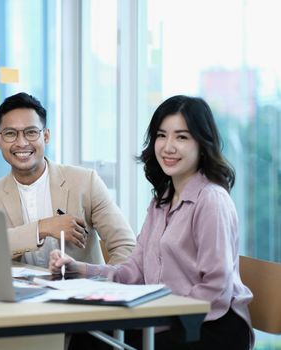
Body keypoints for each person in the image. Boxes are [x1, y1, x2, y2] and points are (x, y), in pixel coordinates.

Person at [50, 95, 253, 349]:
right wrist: (77, 268)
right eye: (161, 135)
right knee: (83, 337)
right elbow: (132, 272)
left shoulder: (211, 200)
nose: (168, 147)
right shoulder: (161, 203)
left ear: (202, 144)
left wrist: (159, 316)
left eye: (181, 137)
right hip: (166, 317)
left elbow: (215, 288)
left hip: (210, 325)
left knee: (97, 343)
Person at [0, 92, 136, 268]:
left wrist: (102, 284)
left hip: (81, 292)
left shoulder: (85, 182)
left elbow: (126, 246)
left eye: (31, 132)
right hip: (18, 294)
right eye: (10, 133)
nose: (21, 143)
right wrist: (44, 227)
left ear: (46, 136)